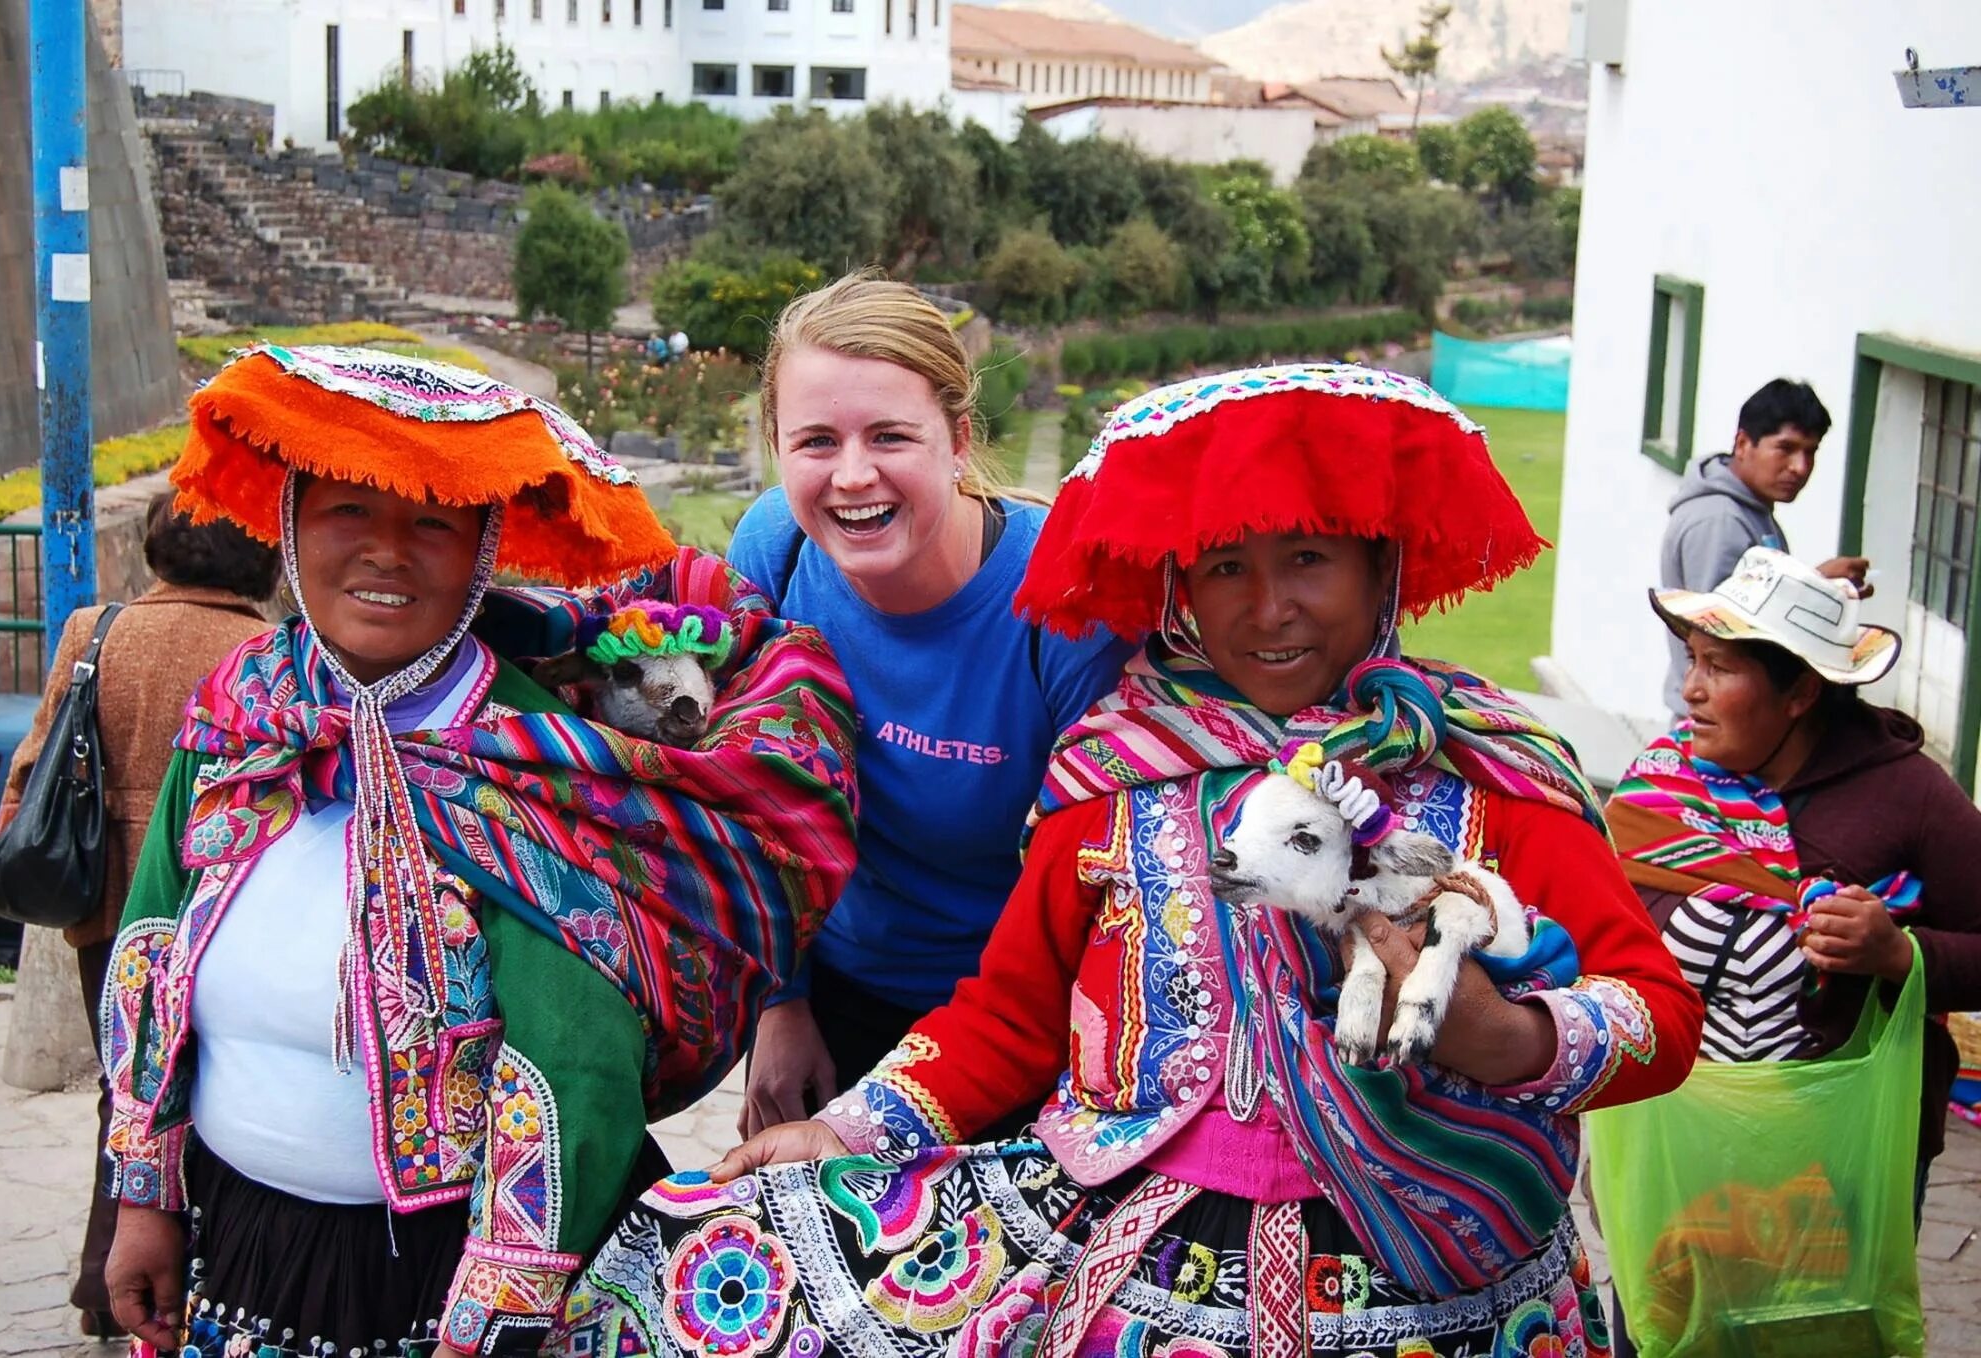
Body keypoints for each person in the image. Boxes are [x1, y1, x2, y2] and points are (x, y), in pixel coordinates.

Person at [553, 364, 1702, 1357]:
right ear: (1177, 588)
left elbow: (1658, 1011)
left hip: (1444, 1277)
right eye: (1222, 567)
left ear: (1380, 567)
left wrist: (1511, 1037)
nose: (1266, 609)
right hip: (1141, 1262)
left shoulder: (1487, 771)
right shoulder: (1120, 770)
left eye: (1307, 558)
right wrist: (846, 1131)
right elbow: (1007, 1019)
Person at [97, 346, 857, 1358]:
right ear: (289, 524)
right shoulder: (245, 715)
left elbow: (572, 1058)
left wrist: (496, 1307)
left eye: (431, 523)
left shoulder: (535, 771)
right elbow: (151, 948)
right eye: (347, 512)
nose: (386, 552)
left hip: (453, 1281)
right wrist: (141, 1197)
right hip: (230, 1244)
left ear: (482, 548)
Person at [728, 272, 1131, 1135]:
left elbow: (1095, 896)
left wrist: (897, 1111)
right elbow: (744, 799)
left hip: (1016, 1023)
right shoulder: (776, 549)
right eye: (814, 441)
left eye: (890, 435)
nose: (852, 475)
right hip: (830, 995)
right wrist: (779, 1005)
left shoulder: (1064, 611)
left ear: (958, 439)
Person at [1611, 546, 1981, 1203]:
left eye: (1719, 667)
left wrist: (1900, 954)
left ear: (1802, 693)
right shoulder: (1665, 784)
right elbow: (1607, 924)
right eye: (1693, 660)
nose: (1690, 688)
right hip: (1677, 1150)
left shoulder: (1910, 797)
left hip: (1839, 1172)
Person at [0, 495, 277, 1339]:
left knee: (129, 1092)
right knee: (213, 1098)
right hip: (222, 904)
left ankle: (99, 1282)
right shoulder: (262, 650)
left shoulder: (97, 628)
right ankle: (194, 1280)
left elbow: (39, 758)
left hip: (108, 905)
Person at [1658, 378, 1869, 713]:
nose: (1800, 467)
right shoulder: (1720, 522)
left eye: (1810, 452)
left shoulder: (1752, 508)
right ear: (1743, 444)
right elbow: (1721, 637)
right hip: (1715, 728)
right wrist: (1814, 585)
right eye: (1785, 448)